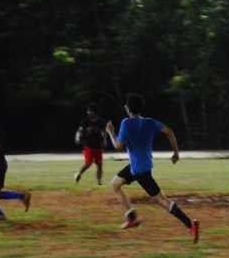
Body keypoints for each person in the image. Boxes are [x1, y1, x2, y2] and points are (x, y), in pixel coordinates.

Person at [105, 93, 199, 243]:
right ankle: (132, 217)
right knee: (115, 184)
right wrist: (176, 153)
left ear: (128, 109)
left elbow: (118, 146)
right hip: (139, 166)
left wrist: (110, 132)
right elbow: (169, 131)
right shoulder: (149, 122)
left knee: (163, 201)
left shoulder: (126, 123)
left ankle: (190, 224)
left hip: (140, 171)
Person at [74, 103, 107, 185]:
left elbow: (104, 132)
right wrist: (77, 138)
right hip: (88, 146)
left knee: (100, 164)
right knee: (88, 163)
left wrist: (105, 141)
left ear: (95, 112)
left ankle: (99, 181)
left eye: (90, 111)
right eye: (88, 111)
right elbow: (79, 130)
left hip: (98, 146)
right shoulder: (85, 121)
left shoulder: (101, 122)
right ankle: (79, 174)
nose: (88, 112)